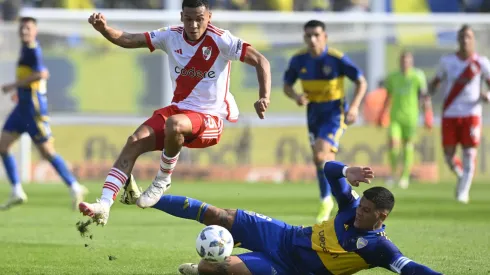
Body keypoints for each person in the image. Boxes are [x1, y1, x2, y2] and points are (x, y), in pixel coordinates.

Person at [78, 0, 271, 225]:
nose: (194, 25)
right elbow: (130, 39)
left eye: (199, 18)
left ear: (209, 16)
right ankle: (103, 204)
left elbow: (261, 60)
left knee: (175, 124)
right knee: (134, 140)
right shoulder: (171, 36)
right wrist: (104, 30)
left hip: (210, 118)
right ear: (181, 17)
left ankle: (162, 180)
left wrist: (264, 96)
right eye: (189, 19)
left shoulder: (221, 39)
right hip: (180, 111)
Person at [122, 161, 442, 274]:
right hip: (282, 235)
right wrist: (347, 171)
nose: (359, 212)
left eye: (367, 212)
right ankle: (143, 199)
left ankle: (208, 269)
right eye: (361, 207)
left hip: (289, 267)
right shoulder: (350, 206)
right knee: (218, 215)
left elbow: (411, 268)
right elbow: (330, 170)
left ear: (381, 216)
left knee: (210, 267)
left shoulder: (379, 248)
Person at [283, 20, 367, 222]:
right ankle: (335, 199)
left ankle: (329, 199)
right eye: (308, 35)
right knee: (321, 159)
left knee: (322, 155)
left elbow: (360, 81)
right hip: (313, 114)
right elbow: (287, 85)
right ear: (304, 37)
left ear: (324, 37)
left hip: (334, 112)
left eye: (316, 35)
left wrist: (354, 106)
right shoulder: (298, 60)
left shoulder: (336, 59)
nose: (312, 39)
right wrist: (296, 97)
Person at [1, 17, 86, 210]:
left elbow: (41, 73)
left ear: (35, 31)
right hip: (21, 108)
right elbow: (32, 78)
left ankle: (74, 186)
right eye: (22, 29)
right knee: (3, 145)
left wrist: (13, 86)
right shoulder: (25, 49)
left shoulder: (33, 50)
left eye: (28, 29)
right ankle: (16, 190)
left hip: (32, 111)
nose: (24, 32)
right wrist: (19, 93)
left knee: (47, 152)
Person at [428, 24, 490, 203]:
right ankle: (463, 176)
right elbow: (436, 82)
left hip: (472, 113)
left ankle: (463, 192)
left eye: (468, 37)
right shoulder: (447, 62)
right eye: (462, 37)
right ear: (458, 40)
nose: (465, 40)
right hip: (450, 113)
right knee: (448, 157)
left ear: (473, 40)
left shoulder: (481, 63)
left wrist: (487, 96)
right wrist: (429, 91)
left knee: (469, 153)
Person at [379, 51, 433, 189]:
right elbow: (388, 96)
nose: (405, 63)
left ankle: (405, 176)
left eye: (408, 61)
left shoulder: (417, 76)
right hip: (395, 117)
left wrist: (428, 114)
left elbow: (424, 97)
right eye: (403, 61)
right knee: (393, 144)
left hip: (411, 118)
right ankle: (393, 173)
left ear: (412, 62)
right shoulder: (393, 77)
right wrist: (382, 113)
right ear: (400, 62)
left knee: (408, 147)